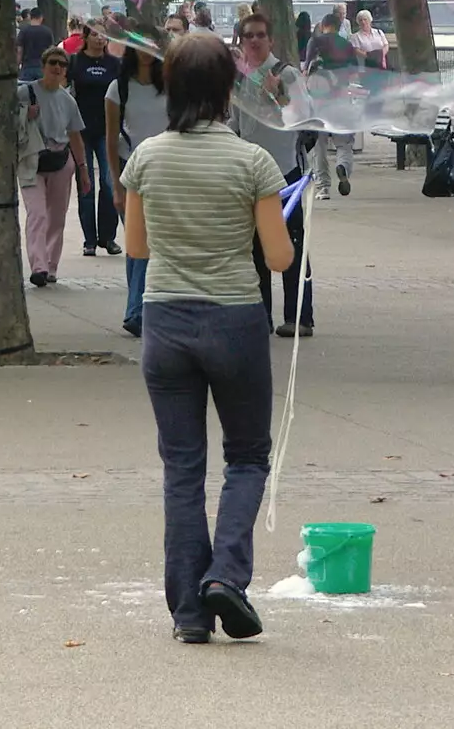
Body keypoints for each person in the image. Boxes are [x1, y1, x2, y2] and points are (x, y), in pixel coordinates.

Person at [121, 32, 294, 645]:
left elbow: (136, 248)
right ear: (229, 90)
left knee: (182, 468)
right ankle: (225, 577)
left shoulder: (145, 156)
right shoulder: (253, 162)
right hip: (234, 320)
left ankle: (189, 612)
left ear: (169, 86)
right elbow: (277, 258)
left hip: (165, 321)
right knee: (246, 457)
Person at [234, 12, 315, 338]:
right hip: (252, 174)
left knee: (292, 245)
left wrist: (277, 94)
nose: (254, 41)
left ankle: (300, 317)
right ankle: (260, 317)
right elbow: (240, 127)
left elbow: (303, 117)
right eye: (248, 35)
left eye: (260, 35)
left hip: (285, 173)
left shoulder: (288, 74)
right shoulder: (242, 80)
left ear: (271, 40)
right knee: (255, 248)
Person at [108, 46, 168, 338]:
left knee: (146, 244)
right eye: (140, 46)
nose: (146, 53)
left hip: (166, 172)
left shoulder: (170, 85)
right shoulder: (118, 87)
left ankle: (139, 310)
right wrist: (115, 185)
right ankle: (137, 311)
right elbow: (110, 140)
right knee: (138, 243)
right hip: (131, 170)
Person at [19, 46, 92, 287]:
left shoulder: (68, 101)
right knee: (37, 213)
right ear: (43, 66)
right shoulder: (25, 93)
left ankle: (51, 265)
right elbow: (4, 121)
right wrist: (24, 114)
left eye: (62, 64)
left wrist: (83, 170)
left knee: (56, 217)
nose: (57, 68)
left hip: (61, 162)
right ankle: (38, 266)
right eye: (53, 63)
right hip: (32, 160)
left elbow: (75, 136)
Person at [68, 23, 122, 257]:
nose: (100, 39)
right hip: (81, 130)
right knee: (85, 185)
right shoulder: (75, 63)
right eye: (96, 34)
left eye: (104, 35)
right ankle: (89, 240)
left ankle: (108, 237)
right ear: (86, 37)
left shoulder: (114, 64)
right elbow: (64, 91)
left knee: (110, 185)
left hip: (107, 130)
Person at [303, 13, 357, 199]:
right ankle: (343, 166)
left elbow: (306, 70)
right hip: (341, 96)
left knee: (320, 146)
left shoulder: (315, 42)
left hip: (318, 100)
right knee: (344, 143)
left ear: (323, 25)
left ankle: (323, 187)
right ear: (339, 25)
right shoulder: (347, 45)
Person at [17, 8, 55, 82]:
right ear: (41, 17)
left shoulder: (24, 31)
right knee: (42, 91)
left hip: (27, 67)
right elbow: (52, 51)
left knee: (25, 91)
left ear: (30, 17)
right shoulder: (47, 32)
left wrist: (17, 65)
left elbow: (19, 51)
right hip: (42, 67)